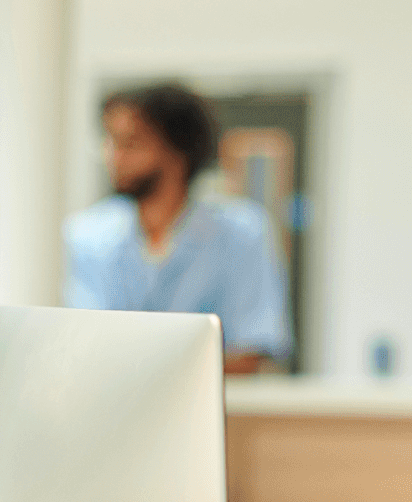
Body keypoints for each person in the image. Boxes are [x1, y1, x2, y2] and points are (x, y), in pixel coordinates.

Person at [65, 83, 291, 373]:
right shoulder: (88, 236)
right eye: (111, 142)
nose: (114, 157)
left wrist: (148, 372)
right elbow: (85, 345)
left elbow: (249, 348)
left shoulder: (242, 233)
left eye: (131, 144)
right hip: (112, 411)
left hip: (210, 413)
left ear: (178, 150)